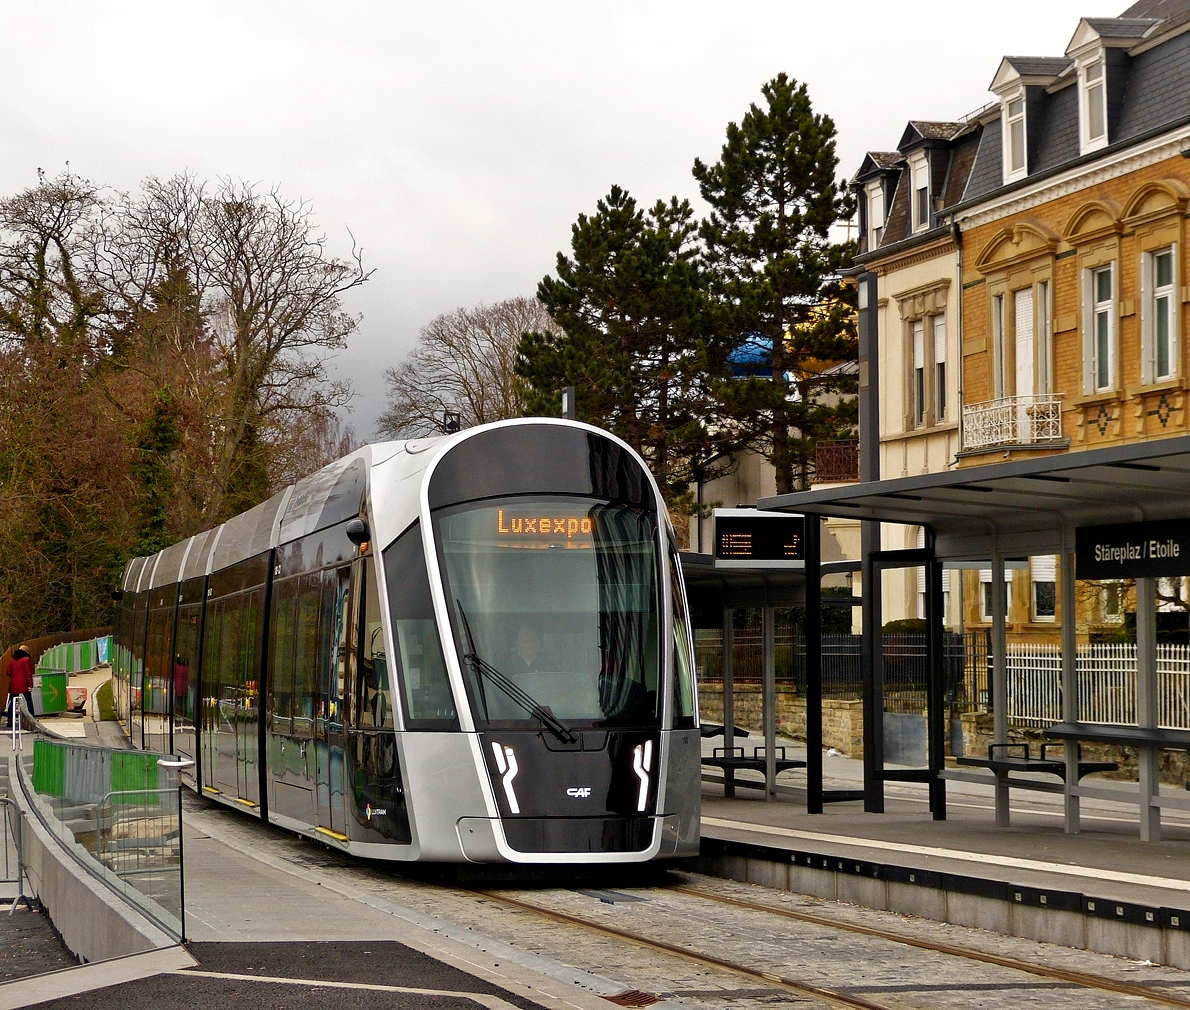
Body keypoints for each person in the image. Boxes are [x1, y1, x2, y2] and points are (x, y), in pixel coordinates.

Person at [5, 648, 34, 727]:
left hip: (13, 683)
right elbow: (28, 673)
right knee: (28, 701)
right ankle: (32, 719)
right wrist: (30, 685)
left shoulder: (12, 660)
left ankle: (10, 720)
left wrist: (14, 676)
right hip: (23, 684)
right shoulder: (26, 659)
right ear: (26, 652)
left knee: (12, 701)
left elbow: (8, 671)